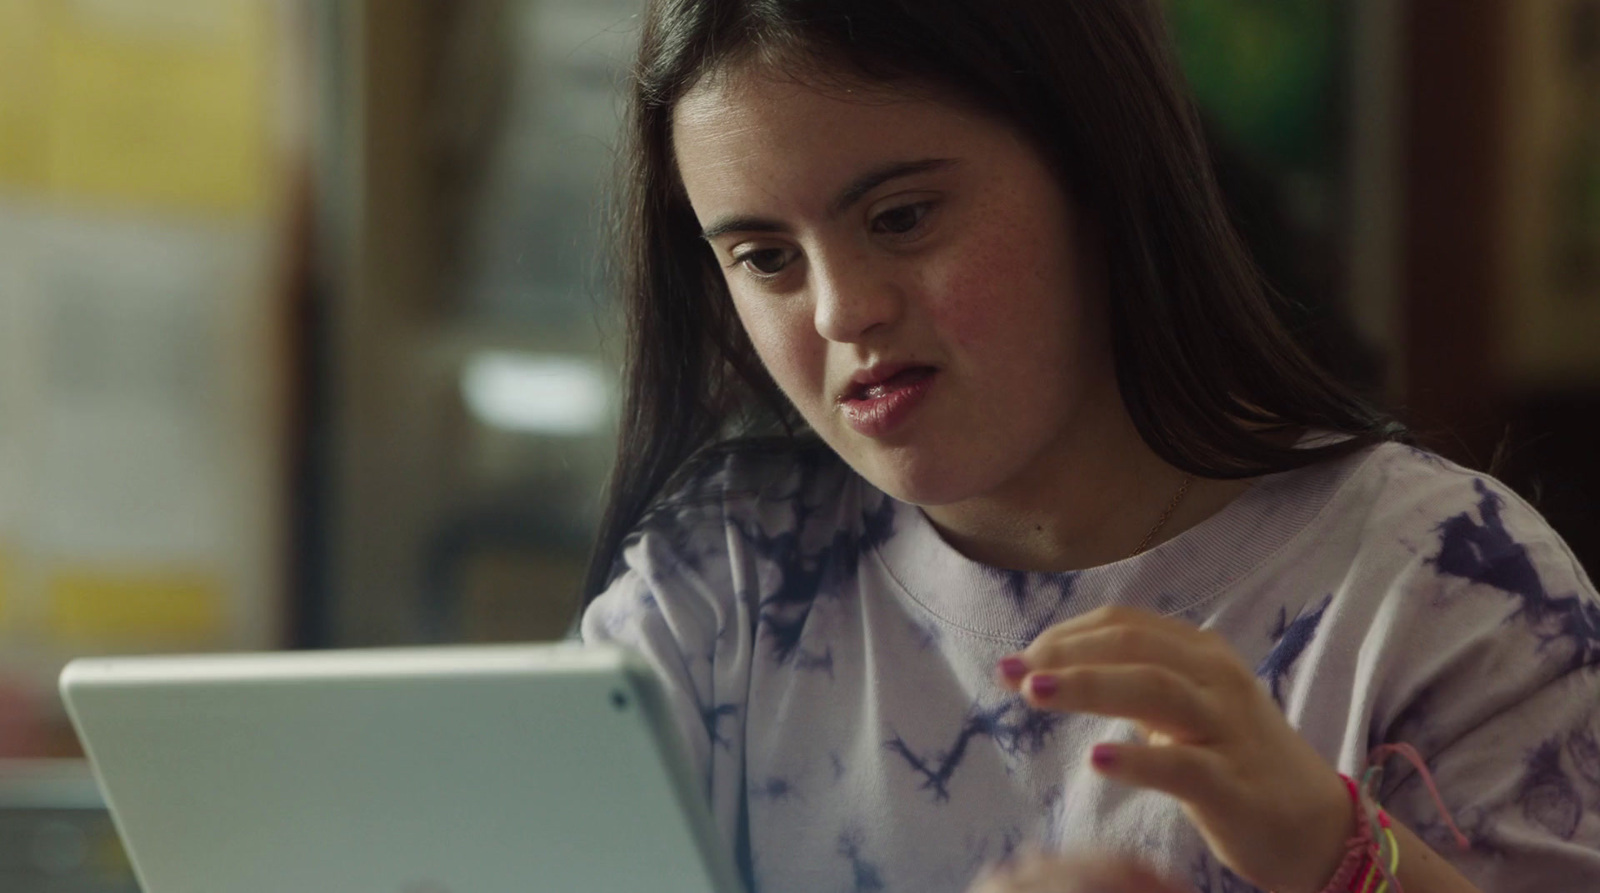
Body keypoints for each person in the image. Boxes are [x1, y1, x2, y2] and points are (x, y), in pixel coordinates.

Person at [577, 1, 1600, 891]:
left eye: (902, 217)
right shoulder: (714, 591)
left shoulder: (1450, 590)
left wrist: (1336, 855)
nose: (843, 310)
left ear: (1099, 171)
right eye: (764, 257)